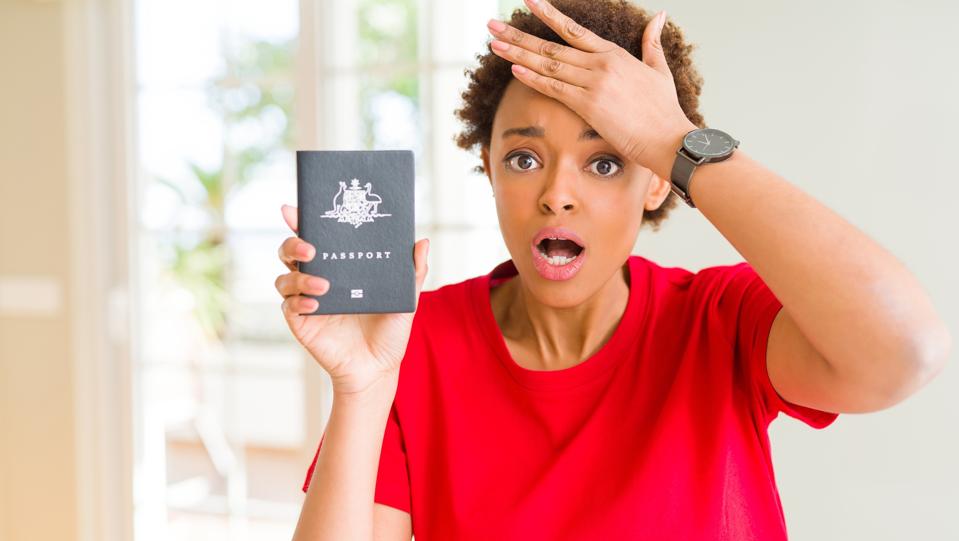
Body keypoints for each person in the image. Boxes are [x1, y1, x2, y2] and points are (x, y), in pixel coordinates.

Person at [275, 0, 952, 539]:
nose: (556, 194)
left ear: (656, 182)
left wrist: (671, 141)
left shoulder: (717, 322)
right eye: (522, 157)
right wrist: (362, 387)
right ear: (488, 169)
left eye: (605, 161)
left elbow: (906, 349)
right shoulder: (414, 344)